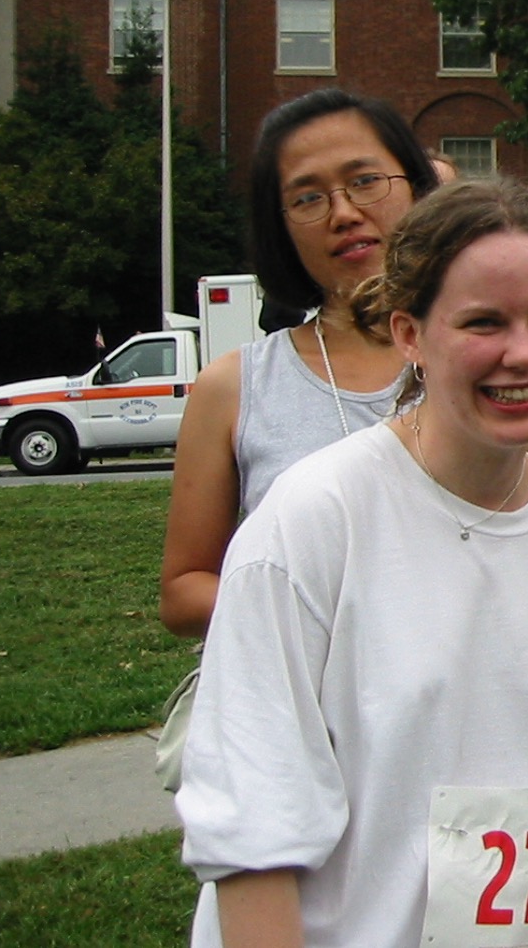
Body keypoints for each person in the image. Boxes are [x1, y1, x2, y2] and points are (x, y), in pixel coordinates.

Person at [177, 178, 528, 948]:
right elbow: (253, 837)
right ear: (410, 336)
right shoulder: (313, 522)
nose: (523, 354)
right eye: (483, 323)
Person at [160, 88, 440, 637]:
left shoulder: (494, 358)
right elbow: (184, 590)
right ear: (280, 227)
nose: (343, 213)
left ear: (416, 185)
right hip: (298, 698)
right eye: (308, 198)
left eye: (365, 181)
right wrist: (331, 610)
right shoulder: (234, 387)